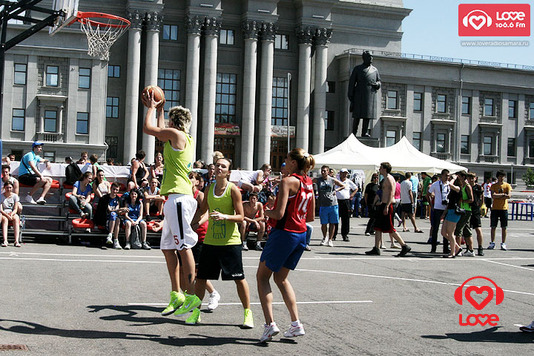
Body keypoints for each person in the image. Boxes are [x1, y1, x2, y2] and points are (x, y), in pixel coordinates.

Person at [142, 92, 198, 317]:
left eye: (169, 121)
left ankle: (193, 297)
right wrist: (162, 109)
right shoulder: (184, 137)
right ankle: (177, 293)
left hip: (179, 198)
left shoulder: (175, 134)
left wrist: (151, 106)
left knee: (184, 247)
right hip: (173, 198)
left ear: (174, 124)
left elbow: (149, 129)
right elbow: (159, 130)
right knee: (167, 247)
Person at [181, 158, 253, 328]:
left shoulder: (233, 190)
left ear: (228, 172)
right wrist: (188, 224)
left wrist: (225, 216)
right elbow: (202, 209)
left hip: (230, 242)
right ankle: (196, 313)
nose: (219, 168)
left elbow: (241, 217)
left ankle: (247, 314)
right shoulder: (209, 188)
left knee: (239, 279)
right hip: (211, 242)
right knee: (201, 278)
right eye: (217, 165)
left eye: (223, 166)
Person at [256, 148, 315, 343]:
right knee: (281, 278)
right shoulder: (308, 183)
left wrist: (266, 211)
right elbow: (311, 217)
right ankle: (296, 323)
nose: (284, 162)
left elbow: (279, 214)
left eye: (286, 160)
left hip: (285, 233)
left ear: (293, 163)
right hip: (300, 234)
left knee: (262, 277)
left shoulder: (287, 181)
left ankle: (269, 324)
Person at [189, 171, 221, 312]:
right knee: (186, 270)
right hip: (188, 236)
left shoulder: (200, 195)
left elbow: (207, 213)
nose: (188, 180)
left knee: (197, 272)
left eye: (191, 178)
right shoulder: (185, 196)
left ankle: (213, 293)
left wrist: (197, 224)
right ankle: (187, 298)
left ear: (197, 182)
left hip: (200, 235)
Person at [365, 162, 411, 257]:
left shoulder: (390, 179)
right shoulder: (385, 178)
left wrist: (386, 206)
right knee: (377, 227)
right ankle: (376, 248)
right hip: (383, 204)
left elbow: (391, 193)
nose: (379, 169)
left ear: (385, 169)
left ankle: (404, 246)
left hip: (388, 205)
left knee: (390, 228)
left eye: (381, 168)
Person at [347, 50, 381, 137]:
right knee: (357, 115)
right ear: (364, 58)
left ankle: (364, 132)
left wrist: (377, 84)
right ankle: (354, 132)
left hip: (370, 95)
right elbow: (351, 83)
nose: (371, 58)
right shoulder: (358, 69)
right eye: (369, 56)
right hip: (359, 95)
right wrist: (351, 96)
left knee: (367, 115)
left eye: (372, 56)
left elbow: (379, 81)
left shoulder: (375, 70)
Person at [314, 165, 344, 247]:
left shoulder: (332, 180)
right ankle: (324, 237)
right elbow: (309, 181)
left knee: (332, 223)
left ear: (328, 171)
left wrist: (336, 190)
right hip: (323, 204)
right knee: (323, 223)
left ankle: (330, 239)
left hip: (333, 203)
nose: (323, 172)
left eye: (325, 171)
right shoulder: (318, 180)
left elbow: (343, 186)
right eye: (322, 171)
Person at [428, 169, 450, 253]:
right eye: (446, 175)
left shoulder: (449, 185)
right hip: (437, 208)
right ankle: (433, 248)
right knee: (435, 228)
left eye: (448, 176)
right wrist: (431, 205)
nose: (447, 177)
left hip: (446, 208)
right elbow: (428, 193)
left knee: (446, 229)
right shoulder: (436, 184)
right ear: (442, 176)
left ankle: (445, 248)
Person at [488, 170, 512, 251]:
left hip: (503, 208)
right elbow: (493, 195)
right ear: (497, 177)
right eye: (500, 176)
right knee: (493, 226)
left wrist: (500, 196)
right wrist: (502, 195)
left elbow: (508, 196)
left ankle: (503, 243)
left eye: (503, 176)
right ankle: (492, 242)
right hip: (495, 208)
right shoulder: (493, 186)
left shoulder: (507, 185)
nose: (501, 178)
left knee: (504, 227)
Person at [441, 174, 463, 258]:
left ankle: (453, 252)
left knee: (450, 233)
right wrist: (444, 213)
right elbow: (449, 202)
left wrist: (453, 179)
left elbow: (449, 184)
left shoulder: (458, 189)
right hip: (450, 211)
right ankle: (457, 247)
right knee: (443, 232)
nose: (448, 178)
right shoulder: (452, 190)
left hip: (454, 212)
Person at [334, 168, 357, 242]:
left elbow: (356, 188)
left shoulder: (349, 181)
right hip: (337, 201)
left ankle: (345, 235)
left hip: (345, 201)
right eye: (343, 173)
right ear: (340, 173)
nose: (344, 175)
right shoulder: (336, 180)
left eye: (346, 173)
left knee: (345, 219)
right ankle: (333, 234)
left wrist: (352, 194)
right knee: (335, 218)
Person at [454, 171, 474, 256]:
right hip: (463, 209)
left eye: (459, 176)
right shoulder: (462, 186)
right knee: (466, 230)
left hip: (466, 210)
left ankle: (458, 249)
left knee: (458, 229)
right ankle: (470, 250)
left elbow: (471, 199)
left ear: (462, 177)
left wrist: (463, 201)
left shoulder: (467, 186)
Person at [468, 173, 485, 256]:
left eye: (472, 178)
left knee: (478, 229)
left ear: (475, 178)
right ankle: (469, 247)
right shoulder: (466, 187)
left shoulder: (478, 187)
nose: (471, 179)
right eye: (469, 178)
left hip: (475, 210)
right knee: (467, 230)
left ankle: (480, 247)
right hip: (467, 209)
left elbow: (482, 198)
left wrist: (482, 206)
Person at [1, 181, 22, 247]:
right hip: (4, 213)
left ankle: (16, 240)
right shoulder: (1, 196)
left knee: (16, 218)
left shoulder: (15, 196)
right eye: (7, 187)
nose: (8, 189)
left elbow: (15, 208)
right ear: (4, 188)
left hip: (11, 212)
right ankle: (5, 240)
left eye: (10, 187)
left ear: (12, 188)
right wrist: (7, 215)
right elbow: (1, 209)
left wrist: (11, 214)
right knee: (5, 220)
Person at [104, 182, 122, 249]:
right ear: (111, 189)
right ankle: (113, 238)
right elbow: (108, 210)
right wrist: (115, 211)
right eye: (113, 189)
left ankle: (113, 238)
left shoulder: (118, 199)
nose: (115, 191)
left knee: (117, 220)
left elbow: (118, 211)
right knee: (113, 214)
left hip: (115, 218)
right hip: (106, 218)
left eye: (116, 190)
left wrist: (122, 210)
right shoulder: (105, 198)